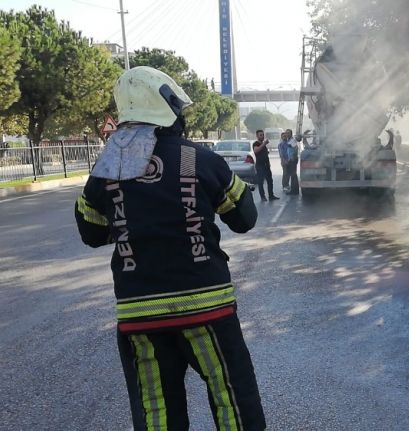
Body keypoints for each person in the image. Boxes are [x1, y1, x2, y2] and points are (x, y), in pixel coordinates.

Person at [74, 66, 266, 431]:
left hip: (139, 315)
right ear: (169, 109)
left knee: (157, 414)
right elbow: (245, 219)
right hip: (206, 307)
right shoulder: (201, 159)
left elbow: (91, 232)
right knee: (233, 401)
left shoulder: (106, 169)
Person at [252, 129, 279, 201]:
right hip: (260, 166)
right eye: (261, 135)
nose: (262, 136)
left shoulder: (264, 145)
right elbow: (256, 150)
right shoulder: (256, 143)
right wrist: (264, 144)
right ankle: (263, 197)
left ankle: (271, 195)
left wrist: (269, 163)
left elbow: (265, 155)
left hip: (266, 166)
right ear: (257, 136)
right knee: (260, 182)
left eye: (263, 135)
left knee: (270, 181)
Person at [285, 129, 299, 195]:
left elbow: (296, 148)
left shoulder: (292, 140)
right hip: (291, 159)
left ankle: (294, 191)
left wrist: (293, 157)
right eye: (286, 133)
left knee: (293, 175)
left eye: (288, 133)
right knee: (293, 175)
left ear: (291, 134)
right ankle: (295, 190)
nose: (287, 134)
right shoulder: (289, 140)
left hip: (292, 160)